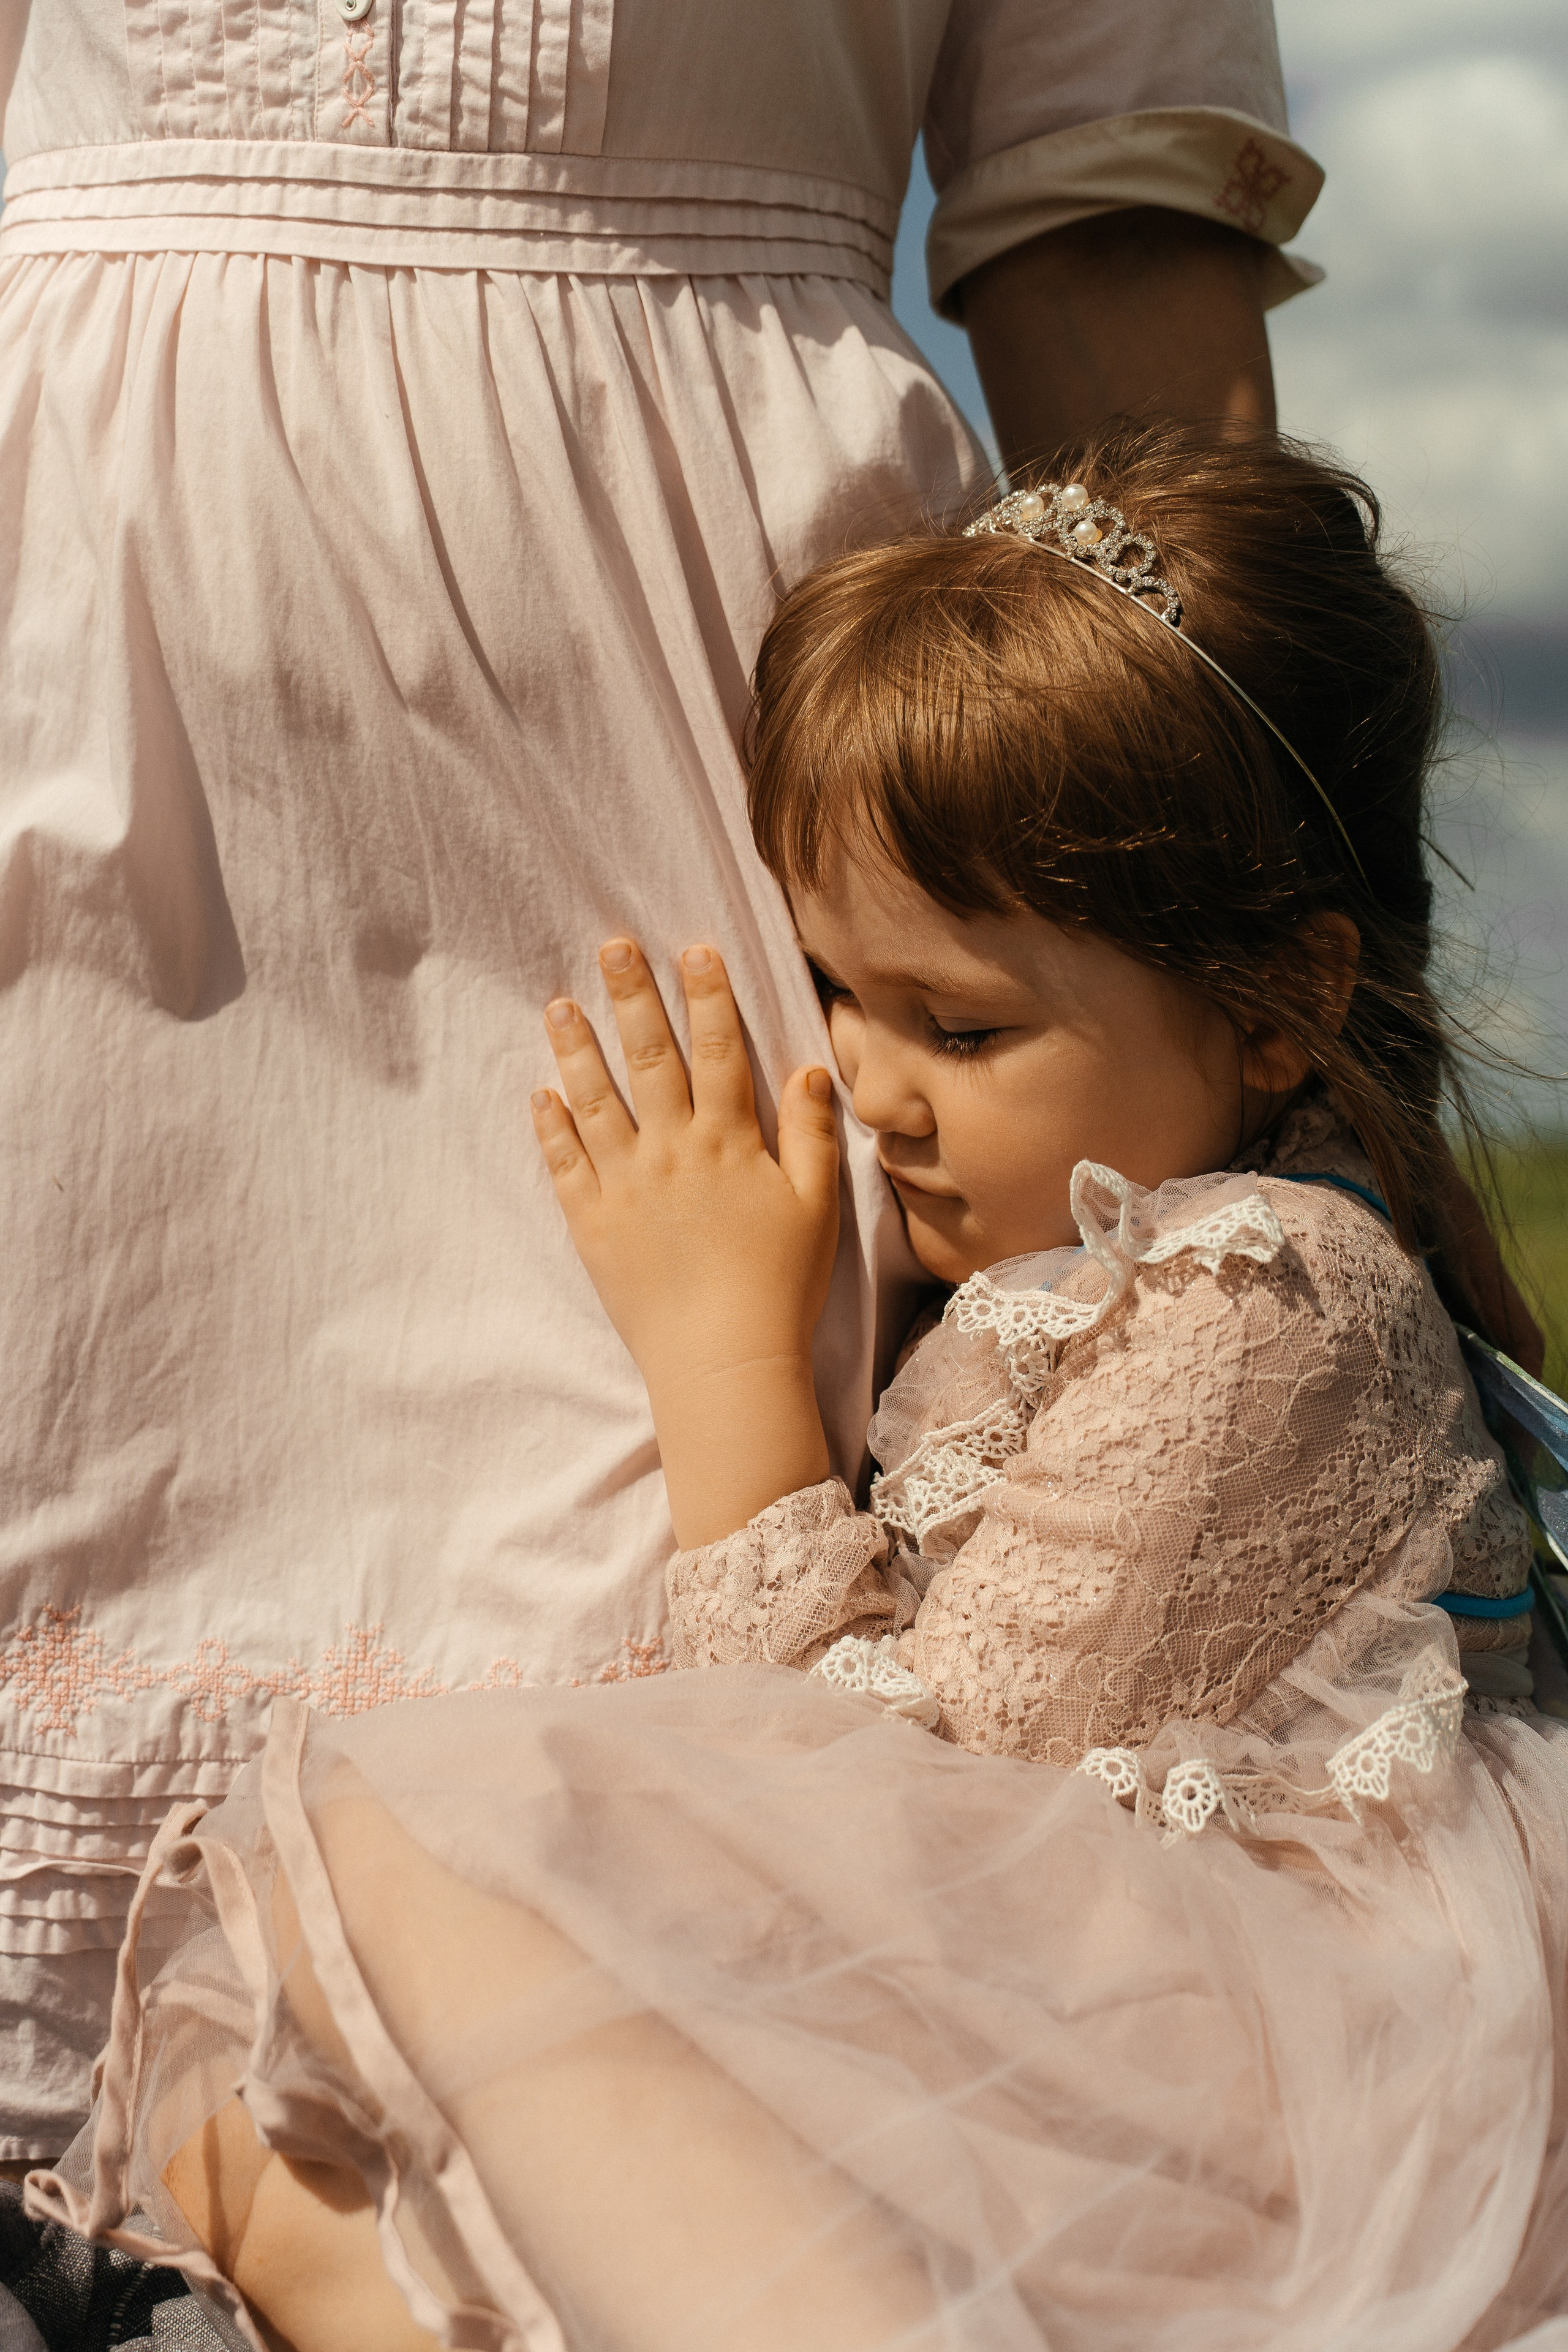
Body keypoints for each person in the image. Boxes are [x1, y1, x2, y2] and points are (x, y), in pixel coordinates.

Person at [31, 421, 1568, 2350]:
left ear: (1283, 1003)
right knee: (252, 2158)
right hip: (1068, 2037)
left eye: (962, 1023)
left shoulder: (1270, 1293)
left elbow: (898, 1858)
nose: (870, 1088)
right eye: (839, 991)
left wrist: (726, 1361)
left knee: (396, 1860)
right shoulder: (1080, 1267)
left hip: (1221, 2085)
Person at [0, 0, 1328, 2168]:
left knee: (683, 1849)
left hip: (733, 756)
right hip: (70, 679)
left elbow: (1111, 224)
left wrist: (1281, 927)